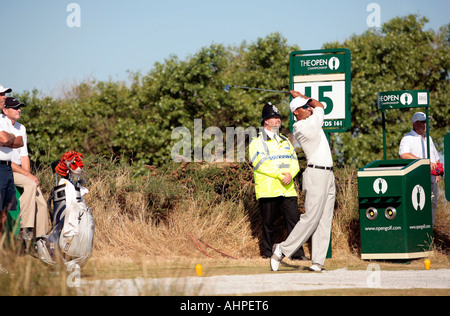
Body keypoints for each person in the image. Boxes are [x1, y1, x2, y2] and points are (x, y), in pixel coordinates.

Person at [270, 91, 336, 272]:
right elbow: (320, 106)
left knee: (324, 219)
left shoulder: (309, 120)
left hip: (328, 174)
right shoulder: (304, 126)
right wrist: (302, 95)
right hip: (316, 174)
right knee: (311, 218)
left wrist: (302, 99)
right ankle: (282, 249)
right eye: (304, 107)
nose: (309, 108)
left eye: (308, 106)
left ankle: (317, 263)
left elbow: (316, 106)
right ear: (296, 112)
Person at [249, 102, 307, 260]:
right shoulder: (256, 142)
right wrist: (280, 175)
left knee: (294, 222)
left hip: (287, 188)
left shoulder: (285, 141)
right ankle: (268, 254)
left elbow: (294, 161)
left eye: (278, 117)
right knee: (268, 224)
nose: (278, 120)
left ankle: (297, 254)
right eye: (274, 117)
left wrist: (291, 174)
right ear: (266, 121)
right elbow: (260, 164)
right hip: (268, 189)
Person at [2, 97, 49, 241]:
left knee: (41, 202)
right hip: (7, 169)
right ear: (5, 110)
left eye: (19, 107)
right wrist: (28, 177)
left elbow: (24, 157)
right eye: (15, 107)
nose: (19, 110)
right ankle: (26, 229)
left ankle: (41, 239)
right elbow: (8, 160)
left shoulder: (21, 128)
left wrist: (29, 174)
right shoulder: (1, 124)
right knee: (30, 183)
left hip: (19, 170)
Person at [399, 112, 441, 226]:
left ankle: (430, 232)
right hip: (416, 179)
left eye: (427, 121)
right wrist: (424, 163)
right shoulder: (408, 138)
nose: (427, 124)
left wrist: (438, 173)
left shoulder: (429, 138)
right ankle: (419, 230)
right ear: (415, 124)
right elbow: (404, 155)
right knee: (419, 205)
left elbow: (435, 158)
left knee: (432, 205)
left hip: (431, 179)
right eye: (424, 121)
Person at [0, 90, 23, 238]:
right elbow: (3, 139)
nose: (4, 97)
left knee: (4, 213)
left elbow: (19, 141)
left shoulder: (5, 121)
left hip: (7, 168)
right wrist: (9, 139)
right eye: (1, 94)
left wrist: (11, 137)